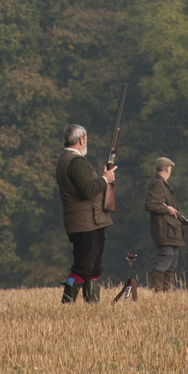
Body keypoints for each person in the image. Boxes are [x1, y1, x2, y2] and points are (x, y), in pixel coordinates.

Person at [56, 123, 116, 303]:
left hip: (88, 221)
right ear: (81, 139)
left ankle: (92, 307)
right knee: (82, 267)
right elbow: (88, 191)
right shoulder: (76, 161)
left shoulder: (66, 159)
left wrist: (103, 180)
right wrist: (105, 179)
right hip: (86, 223)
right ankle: (67, 303)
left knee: (94, 267)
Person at [144, 156, 188, 291]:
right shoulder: (157, 184)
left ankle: (166, 293)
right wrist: (166, 208)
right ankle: (158, 292)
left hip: (171, 231)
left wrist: (187, 222)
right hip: (164, 231)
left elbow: (175, 210)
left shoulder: (163, 185)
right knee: (164, 260)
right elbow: (150, 205)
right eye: (170, 168)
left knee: (172, 262)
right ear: (167, 169)